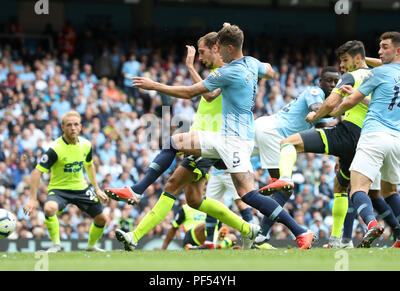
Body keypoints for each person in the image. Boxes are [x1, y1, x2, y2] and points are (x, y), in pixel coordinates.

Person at [109, 23, 316, 251]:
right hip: (226, 137)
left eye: (218, 48)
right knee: (174, 143)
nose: (216, 52)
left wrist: (154, 85)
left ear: (227, 48)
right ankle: (137, 190)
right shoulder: (252, 63)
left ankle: (300, 231)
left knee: (247, 194)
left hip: (235, 142)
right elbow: (271, 71)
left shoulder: (227, 72)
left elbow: (191, 93)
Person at [107, 30, 255, 249]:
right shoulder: (218, 72)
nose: (200, 57)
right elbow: (205, 91)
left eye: (202, 52)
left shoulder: (227, 71)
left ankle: (136, 215)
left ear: (216, 48)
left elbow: (205, 94)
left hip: (211, 140)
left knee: (172, 182)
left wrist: (163, 81)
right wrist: (191, 67)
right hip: (204, 139)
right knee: (195, 200)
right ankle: (247, 229)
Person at [260, 40, 400, 248]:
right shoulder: (380, 76)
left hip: (348, 134)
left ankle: (285, 179)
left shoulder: (351, 76)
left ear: (358, 59)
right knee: (342, 186)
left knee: (288, 143)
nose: (342, 66)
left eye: (345, 60)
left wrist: (315, 116)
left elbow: (330, 103)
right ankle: (338, 240)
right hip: (365, 142)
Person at [330, 31, 400, 248]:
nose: (379, 51)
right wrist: (362, 58)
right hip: (396, 141)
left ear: (398, 50)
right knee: (390, 192)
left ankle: (371, 224)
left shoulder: (378, 74)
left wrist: (330, 113)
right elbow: (379, 101)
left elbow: (352, 101)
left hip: (374, 136)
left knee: (357, 189)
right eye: (379, 47)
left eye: (385, 47)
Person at [251, 66, 340, 245]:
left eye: (335, 82)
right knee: (285, 189)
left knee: (225, 160)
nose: (332, 84)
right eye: (328, 81)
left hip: (266, 128)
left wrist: (339, 147)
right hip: (274, 134)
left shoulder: (322, 99)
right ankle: (262, 232)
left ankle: (204, 157)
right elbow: (317, 109)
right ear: (320, 81)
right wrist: (344, 109)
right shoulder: (315, 92)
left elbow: (323, 129)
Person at [23, 110, 110, 252]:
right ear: (62, 127)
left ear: (81, 126)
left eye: (76, 124)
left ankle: (91, 246)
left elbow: (89, 165)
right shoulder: (55, 149)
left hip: (81, 188)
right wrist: (32, 199)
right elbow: (37, 172)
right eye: (69, 125)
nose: (73, 128)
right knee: (49, 208)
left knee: (102, 219)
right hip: (59, 190)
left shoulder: (86, 145)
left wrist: (97, 188)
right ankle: (56, 244)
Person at [161, 200, 237, 250]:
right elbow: (174, 228)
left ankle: (216, 246)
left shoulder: (213, 209)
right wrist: (164, 248)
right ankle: (218, 246)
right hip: (192, 237)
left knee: (233, 237)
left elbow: (220, 230)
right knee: (206, 224)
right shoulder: (186, 208)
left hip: (212, 236)